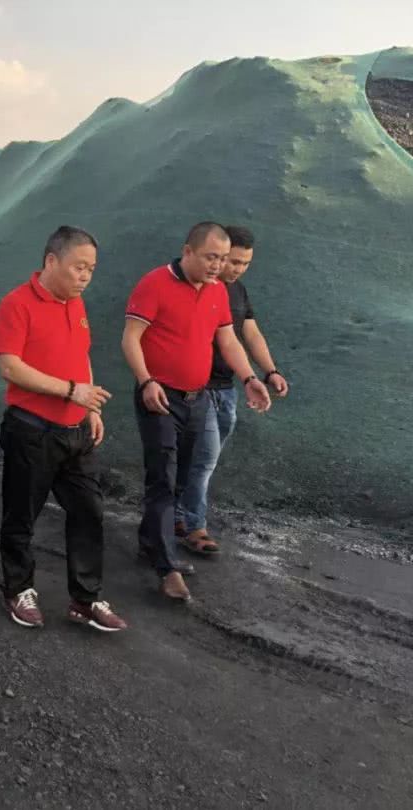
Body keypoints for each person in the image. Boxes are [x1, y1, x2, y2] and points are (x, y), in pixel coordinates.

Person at [121, 222, 271, 602]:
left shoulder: (218, 291)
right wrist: (146, 381)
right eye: (210, 257)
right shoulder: (154, 283)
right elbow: (130, 338)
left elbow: (228, 340)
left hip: (197, 398)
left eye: (222, 258)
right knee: (163, 476)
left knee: (183, 477)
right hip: (159, 396)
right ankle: (167, 567)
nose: (217, 265)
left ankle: (150, 543)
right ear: (188, 251)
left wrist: (250, 378)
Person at [0, 225, 128, 633]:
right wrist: (71, 391)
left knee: (89, 511)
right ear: (52, 261)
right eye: (78, 267)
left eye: (91, 269)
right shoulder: (16, 304)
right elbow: (10, 367)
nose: (85, 276)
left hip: (76, 432)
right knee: (22, 515)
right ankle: (18, 589)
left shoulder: (77, 304)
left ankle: (86, 599)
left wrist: (89, 407)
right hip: (31, 431)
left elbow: (80, 356)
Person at [174, 225, 289, 556]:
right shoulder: (197, 289)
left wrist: (269, 371)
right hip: (197, 389)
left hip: (227, 389)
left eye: (245, 264)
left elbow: (249, 334)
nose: (237, 269)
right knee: (205, 458)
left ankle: (177, 513)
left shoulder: (237, 291)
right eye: (232, 261)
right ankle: (194, 526)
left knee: (201, 458)